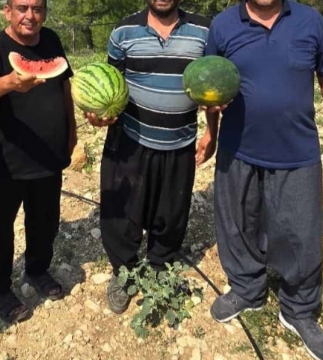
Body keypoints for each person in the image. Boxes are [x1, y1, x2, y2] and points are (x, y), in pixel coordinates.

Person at [197, 1, 323, 359]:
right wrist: (211, 131)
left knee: (300, 231)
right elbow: (209, 84)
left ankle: (298, 308)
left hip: (297, 150)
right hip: (238, 151)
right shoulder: (222, 26)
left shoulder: (309, 21)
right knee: (237, 225)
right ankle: (247, 289)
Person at [86, 0, 222, 314]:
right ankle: (124, 272)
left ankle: (162, 266)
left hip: (180, 141)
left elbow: (212, 87)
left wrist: (212, 132)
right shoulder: (123, 31)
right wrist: (98, 115)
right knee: (121, 213)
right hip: (130, 140)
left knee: (172, 213)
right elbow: (110, 84)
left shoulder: (205, 30)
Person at [0, 0, 76, 324]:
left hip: (48, 154)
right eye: (22, 8)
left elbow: (64, 84)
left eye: (37, 8)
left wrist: (71, 131)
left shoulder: (52, 40)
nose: (30, 16)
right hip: (7, 160)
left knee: (45, 220)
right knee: (0, 228)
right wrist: (10, 83)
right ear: (8, 12)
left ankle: (37, 269)